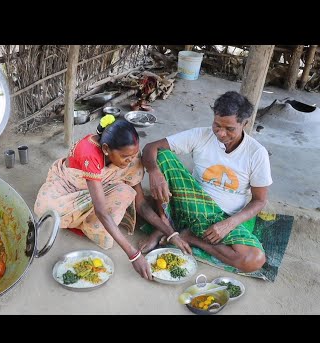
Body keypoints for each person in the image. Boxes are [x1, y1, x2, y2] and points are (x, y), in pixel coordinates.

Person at [141, 91, 272, 273]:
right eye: (217, 125)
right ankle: (166, 223)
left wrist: (229, 223)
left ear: (245, 124)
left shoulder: (256, 153)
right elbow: (150, 147)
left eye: (230, 129)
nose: (221, 133)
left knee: (253, 260)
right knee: (162, 155)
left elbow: (259, 200)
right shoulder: (200, 135)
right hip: (190, 204)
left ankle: (191, 236)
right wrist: (153, 172)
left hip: (221, 216)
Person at [35, 116, 177, 280]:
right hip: (70, 186)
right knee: (47, 209)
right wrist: (134, 255)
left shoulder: (129, 158)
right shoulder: (90, 154)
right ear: (106, 149)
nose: (130, 160)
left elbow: (141, 203)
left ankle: (85, 219)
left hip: (98, 186)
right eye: (125, 157)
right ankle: (83, 219)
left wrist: (172, 233)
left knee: (124, 193)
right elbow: (101, 211)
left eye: (133, 154)